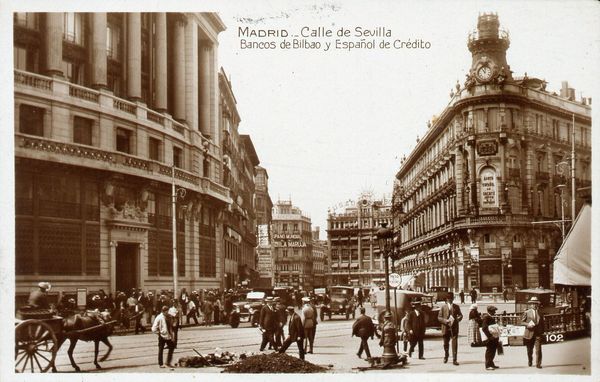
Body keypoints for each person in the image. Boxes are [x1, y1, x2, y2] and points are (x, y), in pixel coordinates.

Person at [438, 293, 463, 365]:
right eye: (449, 299)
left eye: (451, 299)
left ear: (453, 299)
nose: (450, 300)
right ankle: (446, 355)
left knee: (454, 344)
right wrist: (445, 321)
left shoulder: (456, 307)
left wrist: (459, 318)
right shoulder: (443, 307)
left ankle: (454, 359)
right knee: (446, 344)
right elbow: (439, 317)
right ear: (446, 299)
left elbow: (460, 315)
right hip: (445, 328)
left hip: (454, 328)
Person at [522, 296, 544, 368]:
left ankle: (538, 364)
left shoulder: (540, 313)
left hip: (538, 334)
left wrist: (542, 332)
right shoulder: (527, 312)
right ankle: (530, 360)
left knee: (538, 350)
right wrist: (528, 324)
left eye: (536, 304)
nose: (534, 305)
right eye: (533, 304)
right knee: (529, 350)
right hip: (529, 334)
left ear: (538, 304)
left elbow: (542, 323)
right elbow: (522, 322)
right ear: (530, 305)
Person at [481, 305, 500, 370]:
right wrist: (489, 336)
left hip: (493, 337)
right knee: (490, 351)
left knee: (493, 351)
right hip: (490, 338)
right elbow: (484, 328)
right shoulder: (486, 317)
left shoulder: (489, 317)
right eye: (494, 311)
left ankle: (491, 363)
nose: (495, 312)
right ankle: (488, 365)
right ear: (490, 311)